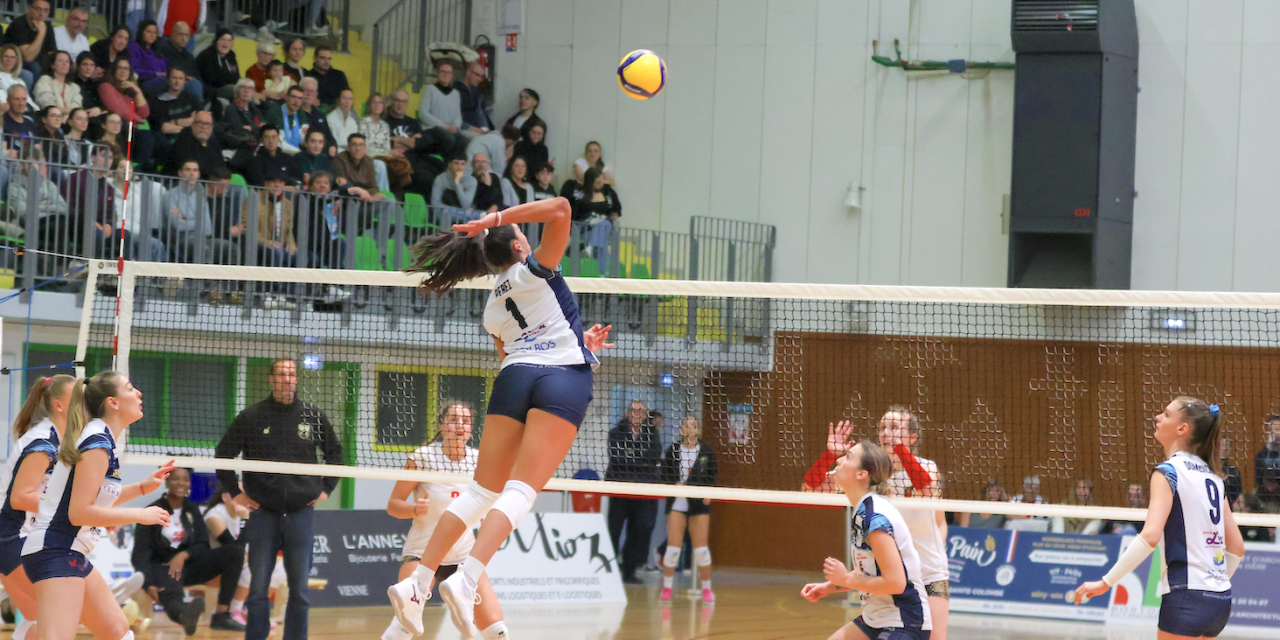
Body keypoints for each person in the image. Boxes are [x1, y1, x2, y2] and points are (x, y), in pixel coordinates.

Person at [386, 197, 610, 638]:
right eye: (523, 236)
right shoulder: (537, 269)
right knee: (522, 490)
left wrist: (579, 343)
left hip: (515, 377)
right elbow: (562, 208)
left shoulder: (491, 306)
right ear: (520, 245)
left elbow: (516, 349)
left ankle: (418, 581)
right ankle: (466, 578)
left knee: (480, 490)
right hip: (561, 378)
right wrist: (496, 218)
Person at [21, 370, 177, 640]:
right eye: (130, 388)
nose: (139, 393)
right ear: (113, 402)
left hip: (69, 551)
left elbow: (91, 498)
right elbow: (79, 512)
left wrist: (141, 488)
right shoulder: (96, 442)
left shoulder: (102, 438)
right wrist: (140, 514)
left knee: (117, 630)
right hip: (56, 550)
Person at [1072, 397, 1245, 640]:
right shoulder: (1214, 477)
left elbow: (1150, 537)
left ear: (1181, 429)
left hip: (1185, 597)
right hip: (1220, 602)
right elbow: (1237, 548)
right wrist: (1213, 585)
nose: (1157, 417)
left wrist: (1105, 583)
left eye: (1165, 414)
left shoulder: (1168, 472)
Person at [213, 358, 343, 640]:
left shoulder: (312, 415)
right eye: (282, 374)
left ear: (297, 379)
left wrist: (326, 489)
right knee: (258, 588)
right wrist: (236, 494)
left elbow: (336, 454)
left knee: (299, 589)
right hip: (263, 514)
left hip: (300, 513)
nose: (287, 379)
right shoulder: (252, 417)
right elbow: (223, 456)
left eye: (292, 374)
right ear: (271, 379)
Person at [381, 400, 510, 640]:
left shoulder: (479, 460)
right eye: (453, 420)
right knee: (403, 627)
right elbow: (393, 505)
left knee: (498, 631)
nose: (459, 425)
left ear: (471, 428)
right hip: (422, 553)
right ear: (442, 425)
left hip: (463, 558)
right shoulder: (422, 457)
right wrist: (414, 509)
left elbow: (491, 502)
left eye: (465, 420)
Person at [801, 441, 932, 640]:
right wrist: (829, 587)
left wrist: (845, 579)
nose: (839, 460)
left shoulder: (875, 517)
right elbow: (868, 573)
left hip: (904, 621)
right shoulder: (863, 511)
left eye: (848, 457)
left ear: (861, 474)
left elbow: (896, 583)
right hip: (874, 619)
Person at [0, 375, 75, 640]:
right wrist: (70, 510)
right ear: (59, 405)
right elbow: (20, 498)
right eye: (77, 396)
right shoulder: (43, 443)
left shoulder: (63, 441)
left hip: (22, 539)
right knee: (66, 610)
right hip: (11, 538)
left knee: (42, 619)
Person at [131, 467, 245, 633]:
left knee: (234, 552)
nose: (181, 483)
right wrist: (147, 583)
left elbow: (203, 544)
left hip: (190, 566)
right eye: (176, 479)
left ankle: (222, 615)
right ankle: (185, 616)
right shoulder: (151, 511)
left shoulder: (192, 508)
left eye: (185, 479)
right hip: (162, 567)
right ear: (167, 481)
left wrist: (184, 555)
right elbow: (140, 554)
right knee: (169, 590)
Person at [203, 484, 286, 627]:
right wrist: (247, 520)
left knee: (283, 567)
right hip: (214, 568)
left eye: (246, 494)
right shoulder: (214, 516)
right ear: (224, 497)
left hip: (237, 565)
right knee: (254, 565)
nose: (243, 498)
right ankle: (235, 611)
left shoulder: (243, 514)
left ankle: (252, 609)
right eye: (238, 493)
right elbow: (234, 550)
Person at [656, 417, 717, 604]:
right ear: (681, 430)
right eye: (685, 425)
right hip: (677, 503)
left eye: (693, 425)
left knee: (701, 551)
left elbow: (712, 475)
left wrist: (709, 492)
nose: (688, 429)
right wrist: (671, 485)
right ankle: (667, 588)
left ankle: (706, 590)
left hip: (698, 505)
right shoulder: (673, 450)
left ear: (698, 430)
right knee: (673, 548)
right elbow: (664, 474)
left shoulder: (706, 451)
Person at [606, 399, 661, 586]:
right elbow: (617, 458)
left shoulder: (652, 434)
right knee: (613, 529)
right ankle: (608, 571)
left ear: (645, 416)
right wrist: (640, 462)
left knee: (638, 530)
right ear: (628, 413)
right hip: (619, 488)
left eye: (641, 412)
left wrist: (632, 460)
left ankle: (629, 571)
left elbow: (653, 457)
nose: (637, 415)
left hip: (641, 490)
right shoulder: (615, 433)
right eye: (634, 411)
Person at [162, 160, 239, 263]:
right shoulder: (170, 196)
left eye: (195, 170)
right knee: (203, 248)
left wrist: (185, 219)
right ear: (180, 173)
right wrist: (198, 222)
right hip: (180, 240)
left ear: (198, 174)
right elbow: (178, 226)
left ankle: (228, 279)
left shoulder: (201, 198)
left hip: (202, 238)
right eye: (187, 170)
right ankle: (203, 279)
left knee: (231, 247)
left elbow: (208, 229)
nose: (191, 173)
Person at [241, 168, 298, 278]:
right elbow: (247, 226)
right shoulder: (253, 200)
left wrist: (291, 243)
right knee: (275, 253)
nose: (277, 185)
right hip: (259, 244)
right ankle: (272, 291)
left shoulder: (287, 204)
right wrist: (265, 242)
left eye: (280, 182)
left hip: (281, 243)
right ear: (266, 183)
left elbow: (289, 229)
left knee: (300, 256)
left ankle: (290, 292)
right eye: (273, 182)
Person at [419, 59, 472, 144]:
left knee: (465, 142)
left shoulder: (456, 94)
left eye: (448, 72)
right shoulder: (429, 89)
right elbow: (423, 113)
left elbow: (458, 116)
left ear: (452, 75)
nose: (445, 74)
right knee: (450, 139)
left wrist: (455, 127)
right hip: (433, 129)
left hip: (450, 130)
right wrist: (442, 125)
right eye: (442, 71)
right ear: (437, 73)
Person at [169, 111, 228, 179]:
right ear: (192, 125)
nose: (203, 127)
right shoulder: (183, 142)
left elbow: (222, 169)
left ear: (212, 127)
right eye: (199, 123)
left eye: (207, 124)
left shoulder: (214, 144)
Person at [7, 0, 55, 80]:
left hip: (41, 64)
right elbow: (28, 57)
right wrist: (41, 33)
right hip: (17, 65)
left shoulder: (48, 26)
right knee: (35, 67)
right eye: (38, 9)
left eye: (46, 10)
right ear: (29, 8)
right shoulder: (18, 24)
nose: (41, 14)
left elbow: (51, 53)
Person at [155, 21, 202, 101]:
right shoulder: (162, 50)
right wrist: (185, 77)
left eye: (186, 35)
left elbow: (195, 75)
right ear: (172, 34)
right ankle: (199, 111)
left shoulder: (188, 55)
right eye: (180, 34)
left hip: (184, 83)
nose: (183, 38)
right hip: (168, 82)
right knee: (194, 84)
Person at [195, 29, 239, 104]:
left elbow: (237, 77)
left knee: (245, 89)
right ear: (216, 41)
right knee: (234, 90)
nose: (226, 43)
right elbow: (212, 79)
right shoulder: (206, 55)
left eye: (229, 40)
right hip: (208, 90)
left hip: (224, 88)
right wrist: (228, 78)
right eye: (222, 39)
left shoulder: (231, 57)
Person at [220, 78, 264, 151]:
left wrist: (250, 128)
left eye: (250, 88)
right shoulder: (231, 109)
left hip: (256, 145)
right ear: (237, 91)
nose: (246, 91)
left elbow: (263, 129)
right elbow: (238, 131)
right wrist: (256, 127)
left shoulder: (255, 110)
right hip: (239, 148)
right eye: (243, 87)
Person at [127, 21, 169, 88]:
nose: (152, 35)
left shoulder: (157, 51)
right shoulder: (134, 47)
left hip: (161, 81)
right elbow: (134, 70)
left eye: (154, 32)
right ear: (142, 32)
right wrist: (155, 74)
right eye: (149, 32)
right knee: (170, 82)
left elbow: (165, 71)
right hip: (144, 82)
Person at [267, 86, 308, 154]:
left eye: (300, 98)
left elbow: (304, 136)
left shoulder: (301, 113)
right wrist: (298, 153)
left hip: (297, 152)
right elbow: (276, 141)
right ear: (286, 97)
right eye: (293, 97)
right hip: (278, 153)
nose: (296, 101)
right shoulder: (274, 112)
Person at [457, 61, 493, 134]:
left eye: (481, 77)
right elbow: (453, 118)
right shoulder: (456, 90)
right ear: (468, 73)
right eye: (477, 75)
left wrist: (485, 129)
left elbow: (479, 112)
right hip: (461, 128)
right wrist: (476, 130)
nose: (480, 79)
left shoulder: (474, 91)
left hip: (475, 127)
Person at [70, 53, 103, 117]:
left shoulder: (94, 84)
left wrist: (98, 109)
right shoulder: (71, 83)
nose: (88, 68)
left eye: (92, 65)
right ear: (78, 66)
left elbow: (100, 103)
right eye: (85, 64)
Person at [360, 92, 391, 157]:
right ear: (369, 105)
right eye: (374, 102)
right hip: (367, 159)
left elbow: (387, 148)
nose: (377, 105)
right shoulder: (363, 123)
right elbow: (364, 148)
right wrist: (382, 153)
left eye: (380, 102)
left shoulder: (385, 126)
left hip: (383, 159)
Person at [1257, 415, 1280, 491]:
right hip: (1264, 496)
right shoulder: (1261, 456)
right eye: (1270, 430)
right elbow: (1258, 479)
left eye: (1277, 429)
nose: (1274, 433)